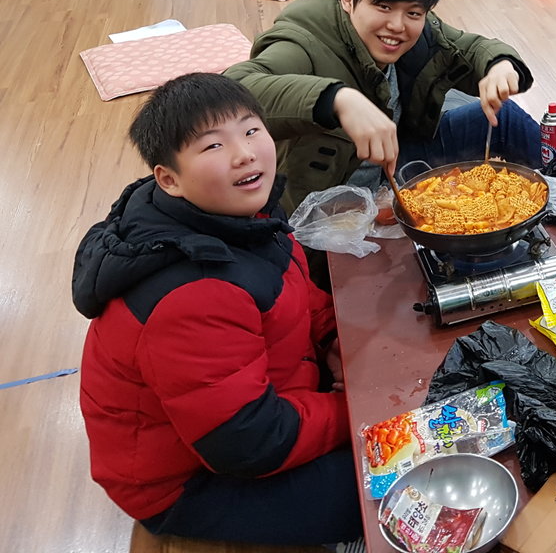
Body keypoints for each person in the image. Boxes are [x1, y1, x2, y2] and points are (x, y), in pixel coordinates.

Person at [72, 74, 361, 547]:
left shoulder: (245, 214)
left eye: (250, 130)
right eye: (212, 145)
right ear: (168, 178)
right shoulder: (193, 291)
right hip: (189, 481)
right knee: (386, 482)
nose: (244, 153)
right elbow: (249, 443)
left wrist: (333, 341)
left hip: (250, 406)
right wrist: (354, 409)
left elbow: (299, 295)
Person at [225, 0, 540, 213]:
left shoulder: (417, 27)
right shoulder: (302, 42)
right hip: (324, 200)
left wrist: (500, 65)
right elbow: (233, 92)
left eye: (413, 13)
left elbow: (468, 48)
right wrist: (337, 99)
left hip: (393, 165)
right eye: (384, 7)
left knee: (505, 118)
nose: (397, 26)